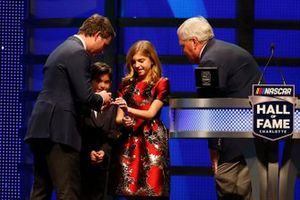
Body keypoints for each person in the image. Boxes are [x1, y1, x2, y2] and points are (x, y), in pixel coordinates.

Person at [24, 14, 115, 200]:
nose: (101, 52)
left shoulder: (62, 48)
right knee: (68, 192)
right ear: (97, 35)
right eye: (104, 45)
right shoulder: (78, 52)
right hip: (59, 130)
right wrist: (102, 98)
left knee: (41, 190)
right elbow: (85, 96)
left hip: (41, 128)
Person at [177, 16, 261, 200]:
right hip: (257, 137)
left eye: (183, 45)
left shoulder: (209, 61)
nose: (182, 51)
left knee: (228, 188)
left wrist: (214, 150)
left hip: (235, 144)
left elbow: (209, 108)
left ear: (194, 42)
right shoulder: (226, 51)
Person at [112, 40, 169, 199]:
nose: (137, 65)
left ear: (151, 60)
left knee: (153, 189)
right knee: (130, 189)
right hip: (130, 139)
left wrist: (127, 109)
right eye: (133, 62)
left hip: (152, 139)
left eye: (141, 60)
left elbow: (151, 113)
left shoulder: (161, 83)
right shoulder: (126, 85)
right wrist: (125, 120)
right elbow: (118, 118)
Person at [80, 62, 121, 200]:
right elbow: (76, 134)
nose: (102, 86)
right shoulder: (80, 105)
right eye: (98, 81)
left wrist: (104, 151)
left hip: (103, 169)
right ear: (90, 81)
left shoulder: (113, 107)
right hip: (80, 166)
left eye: (107, 82)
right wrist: (88, 152)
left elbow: (113, 135)